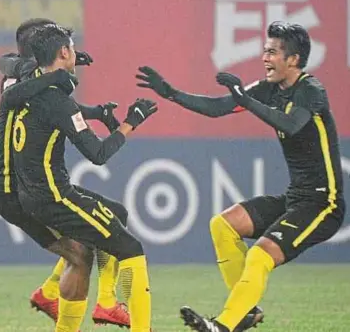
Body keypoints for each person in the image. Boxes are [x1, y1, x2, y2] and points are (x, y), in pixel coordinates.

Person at [136, 21, 345, 332]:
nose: (265, 58)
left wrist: (247, 100)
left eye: (272, 52)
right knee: (223, 224)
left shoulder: (311, 91)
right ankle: (246, 312)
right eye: (265, 50)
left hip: (322, 203)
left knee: (260, 256)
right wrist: (170, 92)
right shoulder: (268, 89)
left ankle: (223, 326)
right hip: (296, 198)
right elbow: (218, 107)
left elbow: (291, 125)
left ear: (294, 59)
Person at [9, 23, 157, 332]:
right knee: (130, 249)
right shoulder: (56, 99)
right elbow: (98, 154)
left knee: (111, 219)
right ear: (63, 52)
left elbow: (60, 108)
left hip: (31, 194)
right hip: (53, 197)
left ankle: (91, 300)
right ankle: (125, 315)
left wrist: (95, 112)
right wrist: (131, 122)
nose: (75, 53)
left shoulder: (30, 83)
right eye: (72, 49)